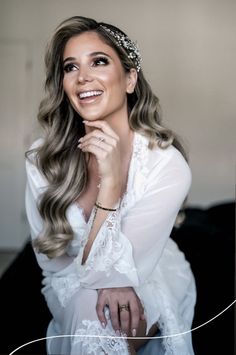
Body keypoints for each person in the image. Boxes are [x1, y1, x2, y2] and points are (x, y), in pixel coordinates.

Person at [25, 16, 196, 355]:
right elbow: (53, 264)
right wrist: (106, 279)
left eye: (99, 61)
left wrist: (113, 180)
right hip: (65, 281)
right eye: (70, 67)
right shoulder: (41, 158)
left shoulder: (166, 164)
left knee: (103, 324)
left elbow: (120, 272)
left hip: (150, 271)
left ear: (130, 79)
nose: (83, 77)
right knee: (92, 313)